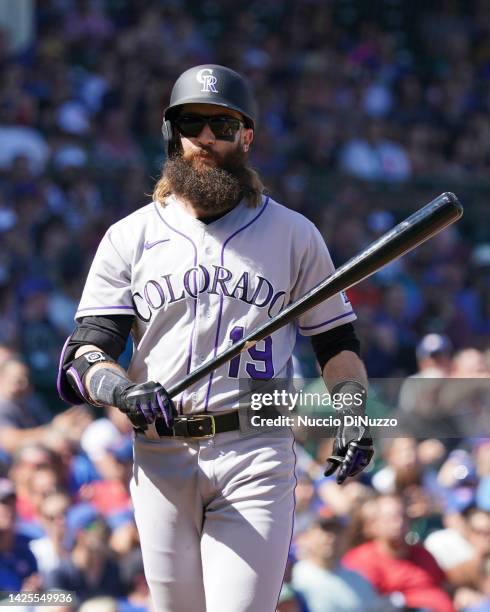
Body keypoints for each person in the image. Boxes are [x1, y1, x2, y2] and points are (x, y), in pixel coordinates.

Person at [57, 64, 374, 612]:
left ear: (246, 138)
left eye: (222, 125)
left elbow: (337, 345)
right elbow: (87, 354)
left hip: (256, 450)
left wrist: (353, 412)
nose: (205, 137)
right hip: (161, 449)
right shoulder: (130, 237)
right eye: (192, 123)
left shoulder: (294, 234)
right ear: (171, 135)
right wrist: (119, 390)